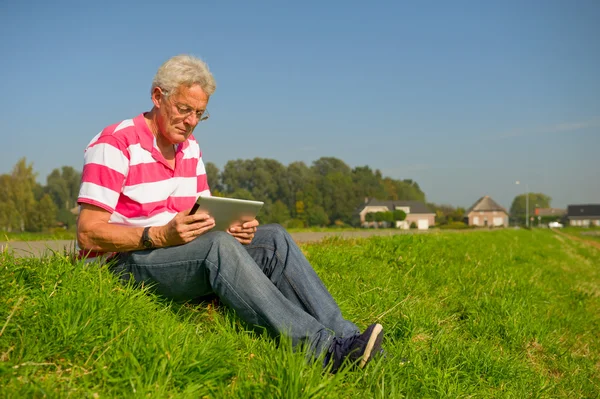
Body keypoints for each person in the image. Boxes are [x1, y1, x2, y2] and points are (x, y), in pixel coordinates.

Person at [76, 54, 383, 373]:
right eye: (184, 109)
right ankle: (324, 353)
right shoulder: (115, 143)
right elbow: (88, 232)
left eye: (199, 113)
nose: (191, 121)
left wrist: (231, 227)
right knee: (217, 248)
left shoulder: (189, 149)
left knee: (273, 238)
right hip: (124, 263)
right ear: (157, 96)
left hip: (175, 251)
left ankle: (350, 339)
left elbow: (203, 215)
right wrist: (159, 235)